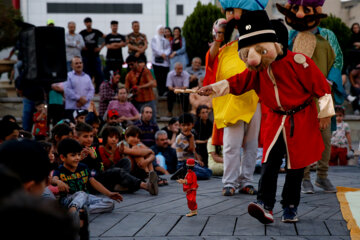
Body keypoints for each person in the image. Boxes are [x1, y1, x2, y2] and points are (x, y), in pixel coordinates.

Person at [199, 10, 335, 224]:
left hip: (299, 120)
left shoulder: (299, 62)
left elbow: (322, 87)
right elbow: (236, 82)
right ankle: (265, 205)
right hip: (274, 120)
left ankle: (290, 207)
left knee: (295, 166)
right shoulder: (258, 69)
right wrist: (212, 89)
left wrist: (325, 113)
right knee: (270, 163)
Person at [277, 0, 343, 194]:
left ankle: (322, 176)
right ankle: (304, 177)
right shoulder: (290, 36)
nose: (300, 14)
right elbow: (283, 60)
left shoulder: (328, 35)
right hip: (300, 95)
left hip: (325, 94)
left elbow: (338, 58)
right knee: (303, 136)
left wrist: (330, 81)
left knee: (325, 136)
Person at [204, 15, 261, 197]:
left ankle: (246, 181)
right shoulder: (223, 49)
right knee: (231, 146)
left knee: (251, 146)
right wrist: (218, 38)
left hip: (253, 100)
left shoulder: (254, 47)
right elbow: (210, 62)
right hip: (231, 101)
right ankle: (229, 183)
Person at [52, 138, 123, 215]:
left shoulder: (83, 167)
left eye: (79, 154)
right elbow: (53, 180)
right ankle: (72, 211)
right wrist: (58, 182)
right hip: (68, 199)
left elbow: (93, 182)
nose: (77, 158)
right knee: (81, 194)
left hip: (85, 197)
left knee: (110, 203)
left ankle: (80, 211)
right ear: (63, 157)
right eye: (73, 155)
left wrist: (109, 194)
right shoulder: (60, 169)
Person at [96, 126, 158, 195]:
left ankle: (149, 177)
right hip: (107, 177)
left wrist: (147, 158)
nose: (114, 140)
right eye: (111, 137)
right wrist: (112, 154)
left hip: (120, 176)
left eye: (116, 138)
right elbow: (106, 165)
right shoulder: (101, 149)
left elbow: (150, 154)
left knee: (126, 161)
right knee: (119, 169)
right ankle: (146, 185)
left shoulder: (118, 148)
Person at [173, 113, 212, 180]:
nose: (186, 127)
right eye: (183, 125)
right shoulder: (180, 138)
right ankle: (183, 174)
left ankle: (186, 174)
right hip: (183, 164)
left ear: (192, 125)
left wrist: (199, 160)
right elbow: (190, 149)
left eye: (188, 125)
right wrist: (191, 137)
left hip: (192, 162)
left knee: (209, 171)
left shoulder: (191, 135)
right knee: (206, 174)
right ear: (180, 126)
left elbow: (194, 150)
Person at [125, 55, 157, 122]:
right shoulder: (129, 75)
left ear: (136, 62)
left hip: (149, 99)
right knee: (139, 121)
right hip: (137, 101)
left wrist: (140, 87)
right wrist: (130, 93)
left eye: (132, 64)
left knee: (152, 120)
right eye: (129, 65)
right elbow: (127, 89)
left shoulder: (145, 71)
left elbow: (153, 83)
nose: (130, 66)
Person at [64, 56, 94, 122]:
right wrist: (79, 98)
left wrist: (85, 100)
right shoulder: (68, 76)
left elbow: (91, 90)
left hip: (85, 108)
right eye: (76, 63)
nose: (79, 65)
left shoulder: (87, 77)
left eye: (80, 63)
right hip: (72, 108)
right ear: (72, 65)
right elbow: (67, 89)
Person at [80, 17, 105, 93]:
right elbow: (77, 41)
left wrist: (100, 48)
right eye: (87, 22)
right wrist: (82, 46)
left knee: (99, 74)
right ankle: (87, 91)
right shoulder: (82, 33)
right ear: (85, 24)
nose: (88, 24)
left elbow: (106, 38)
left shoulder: (96, 31)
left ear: (91, 23)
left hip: (95, 56)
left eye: (89, 22)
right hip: (86, 57)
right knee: (87, 74)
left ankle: (98, 90)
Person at [151, 25, 171, 96]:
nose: (162, 31)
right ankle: (160, 92)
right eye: (160, 30)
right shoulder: (154, 39)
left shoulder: (165, 40)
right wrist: (161, 54)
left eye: (163, 30)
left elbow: (168, 49)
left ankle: (164, 91)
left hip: (165, 62)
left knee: (164, 77)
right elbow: (154, 49)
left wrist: (164, 54)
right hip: (156, 62)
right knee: (158, 78)